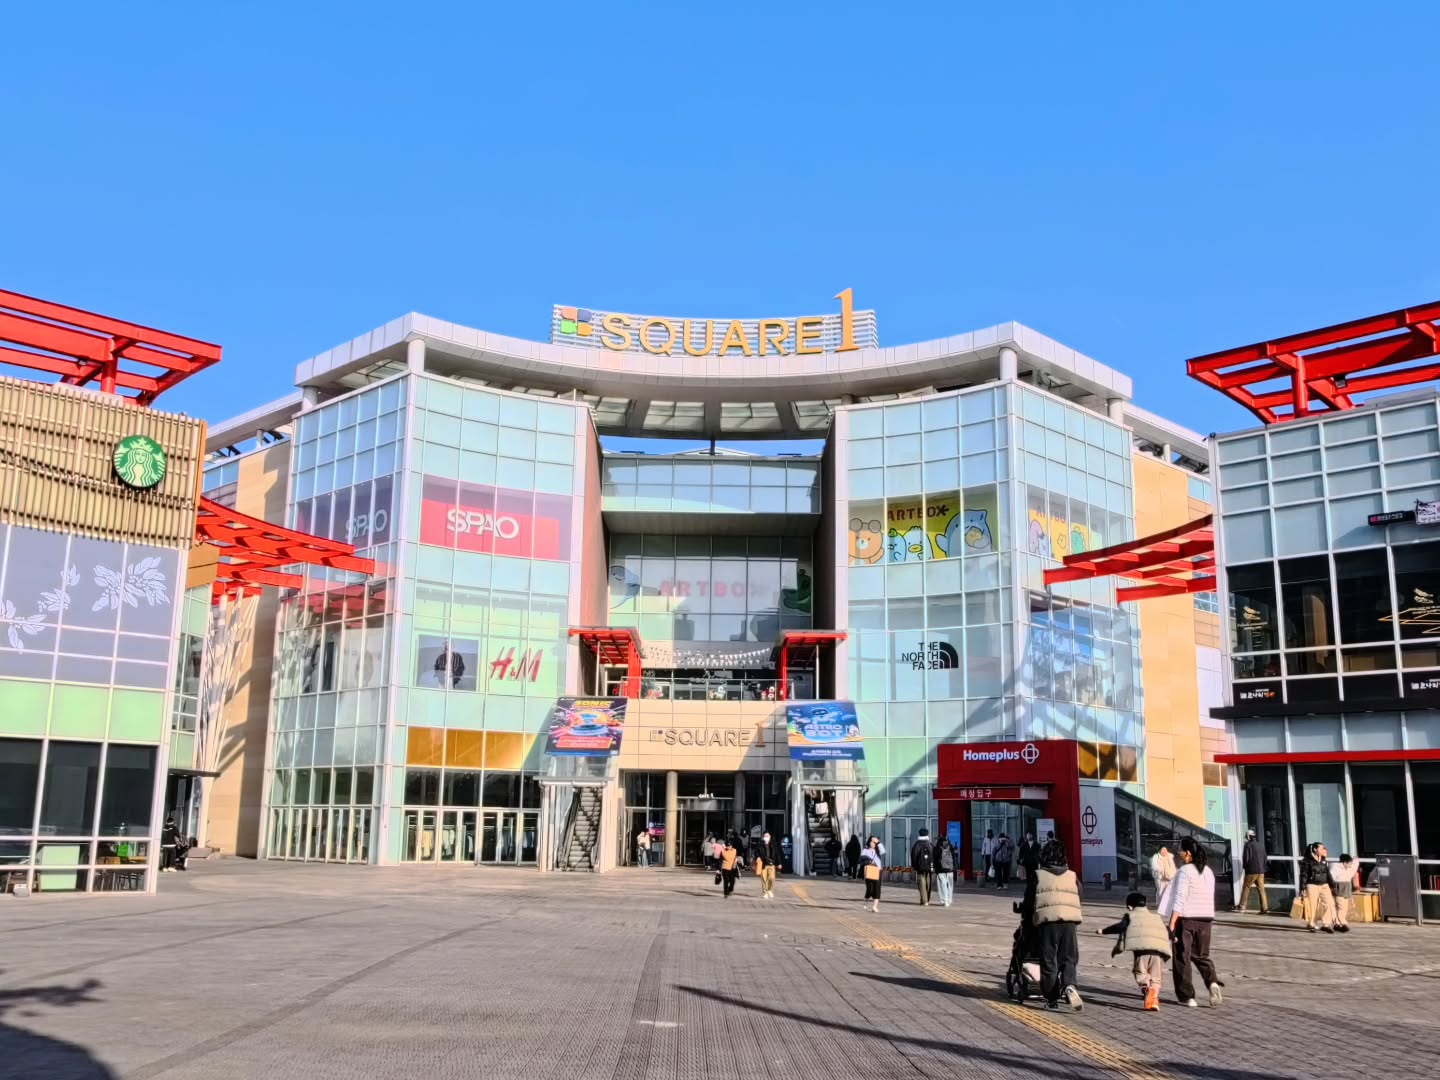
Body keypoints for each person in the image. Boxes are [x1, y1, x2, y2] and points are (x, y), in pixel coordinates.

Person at [1165, 837, 1223, 1007]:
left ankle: (1187, 996)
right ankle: (1212, 982)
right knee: (1201, 955)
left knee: (1182, 956)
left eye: (1180, 850)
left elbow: (1180, 898)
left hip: (1186, 919)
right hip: (1206, 919)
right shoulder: (1208, 872)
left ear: (1188, 853)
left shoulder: (1184, 871)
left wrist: (1172, 922)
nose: (1178, 853)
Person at [1032, 838, 1083, 1011]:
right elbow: (1080, 894)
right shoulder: (1072, 876)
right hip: (1069, 922)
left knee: (1049, 960)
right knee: (1069, 957)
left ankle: (1052, 998)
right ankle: (1069, 985)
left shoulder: (1038, 875)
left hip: (1048, 923)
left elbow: (1029, 899)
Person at [1097, 891, 1171, 1011]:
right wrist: (1174, 937)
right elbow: (1166, 929)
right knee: (1156, 978)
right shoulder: (1156, 917)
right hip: (1157, 953)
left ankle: (1146, 989)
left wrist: (1104, 931)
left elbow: (1120, 928)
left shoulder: (1130, 916)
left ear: (1130, 907)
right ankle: (1154, 1001)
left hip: (1141, 953)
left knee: (1140, 973)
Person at [1300, 842, 1337, 933]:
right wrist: (1302, 888)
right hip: (1312, 885)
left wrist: (1332, 884)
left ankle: (1326, 924)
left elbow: (1327, 873)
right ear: (1315, 849)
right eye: (1321, 848)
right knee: (1313, 905)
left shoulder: (1323, 859)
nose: (1323, 850)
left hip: (1324, 885)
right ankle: (1311, 923)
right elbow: (1303, 875)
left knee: (1329, 903)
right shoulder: (1307, 860)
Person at [1236, 829, 1269, 913]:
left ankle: (1242, 906)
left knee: (1246, 887)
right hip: (1261, 871)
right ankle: (1264, 908)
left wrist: (1245, 867)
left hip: (1251, 871)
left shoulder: (1248, 845)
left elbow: (1246, 858)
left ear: (1248, 837)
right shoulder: (1261, 845)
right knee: (1261, 889)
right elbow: (1265, 857)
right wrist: (1262, 867)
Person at [1330, 852, 1360, 933]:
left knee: (1344, 908)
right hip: (1339, 890)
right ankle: (1343, 923)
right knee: (1341, 907)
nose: (1350, 865)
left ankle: (1337, 923)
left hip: (1346, 890)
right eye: (1349, 863)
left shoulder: (1349, 869)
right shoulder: (1335, 867)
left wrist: (1356, 860)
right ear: (1345, 862)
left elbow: (1354, 866)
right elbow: (1331, 878)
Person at [859, 835, 885, 912]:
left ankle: (875, 906)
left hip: (878, 871)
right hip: (869, 871)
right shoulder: (865, 850)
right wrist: (869, 860)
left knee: (877, 888)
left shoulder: (878, 851)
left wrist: (878, 842)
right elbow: (861, 860)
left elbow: (883, 851)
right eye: (872, 842)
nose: (873, 843)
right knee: (870, 888)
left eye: (875, 842)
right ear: (869, 842)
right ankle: (866, 899)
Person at [910, 828, 935, 906]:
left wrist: (914, 866)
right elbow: (934, 856)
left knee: (921, 883)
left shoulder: (917, 844)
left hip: (920, 867)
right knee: (928, 883)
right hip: (929, 867)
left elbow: (914, 856)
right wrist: (933, 866)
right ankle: (926, 899)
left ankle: (924, 900)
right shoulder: (930, 844)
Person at [755, 830, 781, 899]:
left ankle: (769, 890)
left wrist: (779, 863)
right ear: (763, 837)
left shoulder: (773, 844)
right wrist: (757, 857)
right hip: (763, 864)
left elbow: (777, 854)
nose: (766, 837)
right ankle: (765, 892)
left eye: (767, 836)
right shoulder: (759, 844)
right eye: (765, 836)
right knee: (764, 879)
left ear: (770, 836)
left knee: (772, 878)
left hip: (771, 864)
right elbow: (756, 852)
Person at [1150, 845, 1177, 910]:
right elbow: (1154, 866)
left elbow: (1173, 867)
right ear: (1159, 850)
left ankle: (1165, 905)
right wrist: (1160, 869)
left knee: (1168, 892)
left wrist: (1174, 874)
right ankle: (1160, 905)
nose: (1164, 851)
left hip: (1169, 877)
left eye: (1165, 849)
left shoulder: (1170, 856)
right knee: (1160, 891)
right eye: (1162, 849)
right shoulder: (1156, 857)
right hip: (1160, 877)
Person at [934, 833, 957, 907]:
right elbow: (954, 858)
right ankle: (949, 900)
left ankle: (944, 900)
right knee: (950, 885)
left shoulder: (937, 847)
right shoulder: (950, 846)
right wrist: (954, 868)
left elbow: (935, 859)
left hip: (941, 870)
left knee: (942, 885)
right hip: (950, 870)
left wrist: (935, 869)